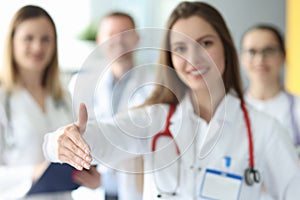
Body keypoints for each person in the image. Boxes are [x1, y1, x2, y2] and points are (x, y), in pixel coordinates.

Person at [43, 2, 300, 199]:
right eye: (180, 48)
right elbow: (102, 139)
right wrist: (62, 141)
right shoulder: (153, 119)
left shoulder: (264, 131)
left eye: (206, 43)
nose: (194, 58)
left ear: (225, 46)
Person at [0, 5, 100, 199]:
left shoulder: (62, 98)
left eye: (46, 39)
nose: (38, 47)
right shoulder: (3, 98)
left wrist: (91, 178)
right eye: (28, 38)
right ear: (12, 42)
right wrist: (34, 173)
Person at [69, 11, 153, 200]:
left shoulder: (156, 86)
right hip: (92, 190)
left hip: (137, 188)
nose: (119, 40)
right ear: (100, 40)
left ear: (137, 38)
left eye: (126, 33)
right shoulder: (79, 84)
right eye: (111, 34)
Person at [241, 24, 300, 155]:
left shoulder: (298, 108)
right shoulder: (229, 109)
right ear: (242, 59)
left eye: (269, 51)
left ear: (283, 56)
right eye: (252, 51)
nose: (260, 59)